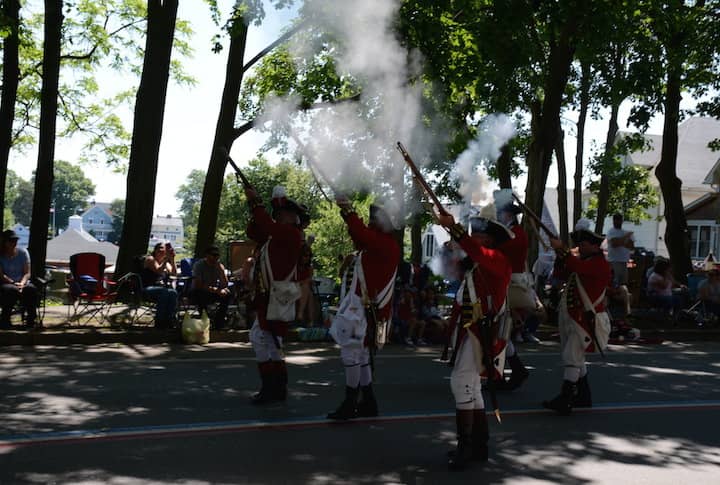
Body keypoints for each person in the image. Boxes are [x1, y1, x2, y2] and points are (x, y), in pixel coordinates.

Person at [436, 205, 513, 471]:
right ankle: (478, 445)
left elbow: (475, 251)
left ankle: (466, 447)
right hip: (471, 331)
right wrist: (451, 244)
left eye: (476, 234)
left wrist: (454, 228)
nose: (471, 237)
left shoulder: (496, 259)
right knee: (472, 388)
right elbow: (452, 269)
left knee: (461, 384)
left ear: (488, 240)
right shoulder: (479, 264)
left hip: (481, 333)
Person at [327, 197, 400, 420]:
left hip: (367, 310)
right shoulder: (378, 243)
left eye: (374, 219)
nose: (371, 222)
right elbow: (359, 237)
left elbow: (362, 235)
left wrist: (348, 210)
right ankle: (368, 401)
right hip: (363, 309)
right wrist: (347, 214)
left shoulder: (385, 244)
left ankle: (350, 402)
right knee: (362, 354)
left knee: (351, 353)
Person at [543, 219, 611, 415]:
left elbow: (576, 267)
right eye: (579, 244)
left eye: (584, 244)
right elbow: (563, 273)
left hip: (585, 318)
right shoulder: (584, 262)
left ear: (595, 246)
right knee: (576, 357)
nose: (580, 247)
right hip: (574, 316)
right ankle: (583, 395)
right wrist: (559, 255)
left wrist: (562, 250)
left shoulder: (599, 264)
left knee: (572, 356)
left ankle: (566, 398)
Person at [245, 185, 305, 405]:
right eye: (277, 215)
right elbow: (254, 230)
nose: (278, 217)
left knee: (270, 341)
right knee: (267, 341)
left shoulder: (290, 234)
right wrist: (256, 205)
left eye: (282, 214)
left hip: (276, 296)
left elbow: (266, 225)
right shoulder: (276, 235)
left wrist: (255, 202)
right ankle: (274, 388)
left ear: (292, 217)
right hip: (268, 296)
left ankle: (274, 388)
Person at [493, 190, 534, 390]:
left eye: (500, 213)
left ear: (508, 215)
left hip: (510, 287)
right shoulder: (508, 233)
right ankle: (509, 372)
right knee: (500, 334)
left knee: (500, 332)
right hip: (503, 284)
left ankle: (502, 374)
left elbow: (497, 251)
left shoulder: (516, 235)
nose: (498, 216)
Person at [0, 230, 38, 329]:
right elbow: (1, 275)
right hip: (6, 283)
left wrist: (22, 283)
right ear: (5, 242)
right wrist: (13, 283)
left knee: (31, 289)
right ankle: (5, 320)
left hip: (22, 282)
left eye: (15, 240)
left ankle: (31, 320)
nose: (14, 243)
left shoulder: (23, 253)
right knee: (10, 290)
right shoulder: (1, 255)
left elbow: (27, 273)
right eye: (11, 240)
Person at [191, 245, 231, 330]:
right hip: (199, 291)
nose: (215, 257)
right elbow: (198, 285)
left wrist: (221, 271)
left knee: (227, 294)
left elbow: (225, 284)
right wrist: (216, 290)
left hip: (213, 291)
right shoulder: (199, 265)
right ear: (207, 255)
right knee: (201, 295)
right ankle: (204, 322)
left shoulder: (219, 266)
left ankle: (219, 322)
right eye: (213, 255)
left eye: (217, 255)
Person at [140, 242, 179, 329]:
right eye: (160, 248)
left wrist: (172, 259)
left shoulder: (166, 263)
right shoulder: (150, 259)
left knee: (173, 292)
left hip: (162, 289)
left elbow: (174, 274)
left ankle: (169, 320)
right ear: (155, 250)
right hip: (148, 288)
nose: (162, 250)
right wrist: (166, 260)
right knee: (165, 292)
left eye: (164, 249)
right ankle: (160, 321)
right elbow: (158, 271)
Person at [606, 213, 634, 287]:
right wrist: (626, 237)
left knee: (623, 284)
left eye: (619, 220)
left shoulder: (624, 232)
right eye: (616, 220)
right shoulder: (611, 231)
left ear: (622, 221)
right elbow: (614, 244)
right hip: (614, 261)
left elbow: (631, 246)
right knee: (614, 283)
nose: (617, 222)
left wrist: (621, 241)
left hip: (624, 261)